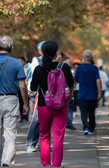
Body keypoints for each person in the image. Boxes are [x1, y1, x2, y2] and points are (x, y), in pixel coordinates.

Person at [30, 41, 74, 168]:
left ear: (43, 52)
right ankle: (56, 165)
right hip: (61, 106)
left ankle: (45, 164)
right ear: (56, 52)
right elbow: (71, 85)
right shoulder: (64, 67)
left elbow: (33, 88)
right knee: (58, 137)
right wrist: (68, 98)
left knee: (44, 136)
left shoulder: (39, 68)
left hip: (44, 106)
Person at [0, 35, 29, 167]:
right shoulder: (16, 63)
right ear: (11, 48)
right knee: (10, 134)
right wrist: (26, 104)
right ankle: (6, 162)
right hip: (10, 100)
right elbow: (22, 86)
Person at [74, 50, 102, 135]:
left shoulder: (79, 68)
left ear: (83, 57)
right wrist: (100, 92)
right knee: (91, 112)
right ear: (92, 57)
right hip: (93, 94)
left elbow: (75, 80)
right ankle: (91, 128)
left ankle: (85, 127)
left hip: (82, 94)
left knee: (83, 112)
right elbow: (98, 80)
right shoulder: (95, 68)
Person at [26, 41, 45, 153]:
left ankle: (41, 143)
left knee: (44, 120)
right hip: (39, 93)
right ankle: (31, 143)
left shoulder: (52, 61)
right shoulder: (36, 61)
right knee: (37, 119)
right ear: (39, 50)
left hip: (48, 94)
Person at [56, 50, 76, 131]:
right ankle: (67, 123)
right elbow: (71, 83)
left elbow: (71, 82)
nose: (59, 56)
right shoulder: (65, 66)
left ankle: (68, 123)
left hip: (60, 94)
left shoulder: (65, 66)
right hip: (61, 94)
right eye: (57, 55)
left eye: (60, 55)